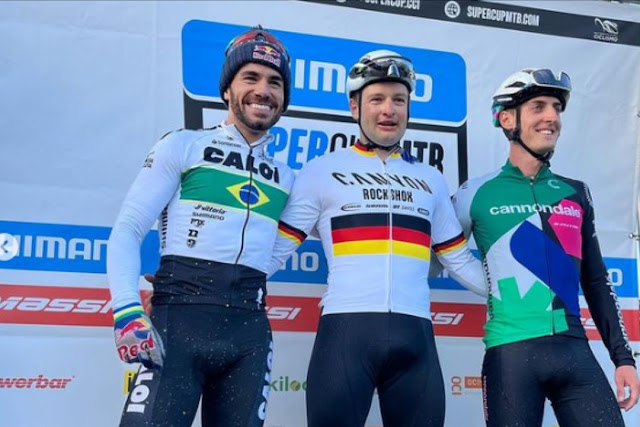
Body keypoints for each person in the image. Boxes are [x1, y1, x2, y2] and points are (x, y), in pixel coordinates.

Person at [267, 50, 487, 427]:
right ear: (355, 107)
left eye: (399, 100)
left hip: (415, 334)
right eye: (377, 99)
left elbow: (460, 260)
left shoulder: (430, 179)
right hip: (345, 334)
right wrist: (209, 288)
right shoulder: (321, 172)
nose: (389, 109)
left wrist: (523, 297)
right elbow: (275, 251)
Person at [107, 26, 295, 427]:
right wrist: (126, 311)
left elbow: (272, 252)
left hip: (249, 334)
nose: (263, 90)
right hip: (177, 325)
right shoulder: (183, 145)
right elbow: (128, 228)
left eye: (275, 82)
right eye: (251, 77)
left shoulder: (287, 177)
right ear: (227, 88)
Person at [452, 68, 640, 426]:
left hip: (574, 349)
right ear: (507, 119)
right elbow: (436, 252)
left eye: (556, 107)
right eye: (538, 107)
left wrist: (623, 359)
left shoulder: (576, 192)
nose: (552, 117)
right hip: (510, 353)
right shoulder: (474, 193)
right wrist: (488, 284)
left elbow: (597, 281)